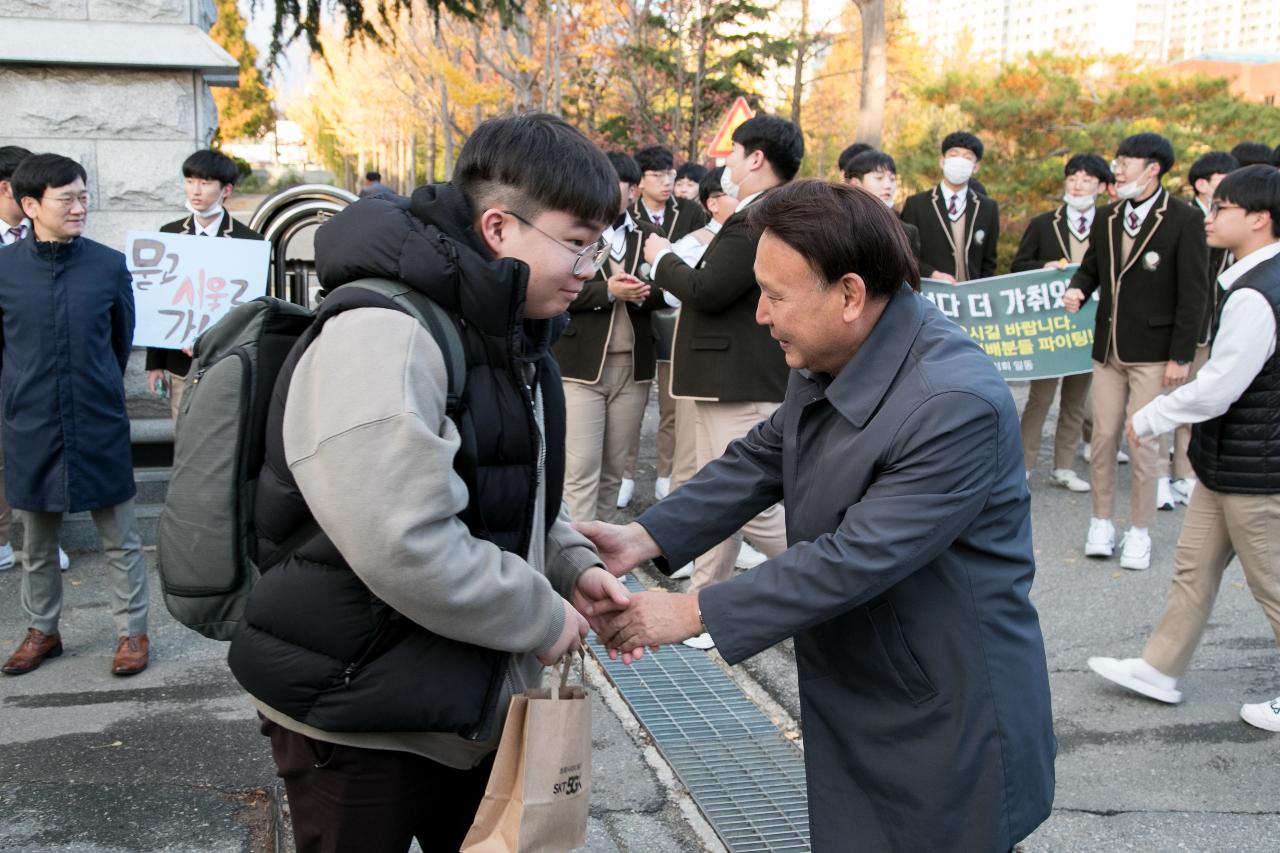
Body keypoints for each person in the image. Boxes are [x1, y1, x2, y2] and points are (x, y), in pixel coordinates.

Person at [578, 179, 1056, 852]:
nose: (762, 316)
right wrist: (642, 534)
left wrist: (687, 613)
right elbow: (765, 455)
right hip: (870, 676)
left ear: (850, 294)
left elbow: (855, 556)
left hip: (944, 708)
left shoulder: (954, 403)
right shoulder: (836, 350)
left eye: (774, 296)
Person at [225, 114, 630, 853]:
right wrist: (539, 615)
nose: (590, 267)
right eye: (577, 241)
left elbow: (504, 484)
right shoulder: (389, 331)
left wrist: (570, 564)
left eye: (598, 245)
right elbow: (404, 538)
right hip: (355, 708)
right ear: (500, 227)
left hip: (450, 698)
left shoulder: (507, 322)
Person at [1088, 164, 1280, 734]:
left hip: (1255, 468)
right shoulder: (1254, 279)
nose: (1211, 216)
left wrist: (1151, 417)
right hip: (1228, 466)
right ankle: (1158, 668)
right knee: (1193, 569)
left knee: (1272, 583)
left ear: (1259, 218)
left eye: (1222, 208)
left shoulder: (1257, 295)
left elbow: (1221, 385)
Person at [640, 116, 801, 647]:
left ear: (756, 158)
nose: (726, 163)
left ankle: (827, 576)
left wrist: (661, 258)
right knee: (722, 496)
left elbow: (707, 289)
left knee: (748, 507)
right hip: (728, 379)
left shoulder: (759, 217)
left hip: (737, 380)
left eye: (734, 152)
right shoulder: (759, 213)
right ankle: (705, 606)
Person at [0, 154, 150, 676]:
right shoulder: (5, 270)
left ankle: (132, 633)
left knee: (121, 538)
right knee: (36, 543)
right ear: (30, 205)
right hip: (31, 424)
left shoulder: (108, 265)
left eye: (84, 196)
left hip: (97, 419)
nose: (80, 207)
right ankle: (43, 631)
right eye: (67, 198)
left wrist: (100, 387)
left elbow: (119, 341)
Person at [1064, 132, 1209, 571]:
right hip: (1107, 350)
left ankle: (1141, 531)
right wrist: (1077, 290)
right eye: (1118, 160)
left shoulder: (1182, 219)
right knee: (1104, 437)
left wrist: (1181, 356)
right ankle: (1102, 522)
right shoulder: (1108, 217)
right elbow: (1092, 268)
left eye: (1127, 162)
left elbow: (1194, 293)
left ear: (1153, 170)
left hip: (1156, 354)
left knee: (1143, 440)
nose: (1118, 169)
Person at [554, 151, 664, 522]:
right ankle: (576, 563)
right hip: (581, 367)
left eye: (614, 183)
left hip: (633, 369)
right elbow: (558, 289)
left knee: (613, 472)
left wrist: (642, 292)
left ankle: (600, 557)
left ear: (632, 190)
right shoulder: (580, 235)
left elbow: (672, 289)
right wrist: (608, 293)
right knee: (581, 470)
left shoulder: (649, 236)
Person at [1011, 153, 1115, 491]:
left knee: (1075, 399)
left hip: (1089, 324)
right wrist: (1042, 268)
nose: (1078, 184)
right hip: (1049, 326)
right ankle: (1023, 465)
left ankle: (1064, 466)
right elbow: (1019, 264)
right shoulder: (1044, 223)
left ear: (1101, 186)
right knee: (1040, 398)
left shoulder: (1109, 221)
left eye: (1086, 179)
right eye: (1072, 178)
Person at [616, 145, 709, 508]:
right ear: (639, 181)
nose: (667, 181)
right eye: (657, 175)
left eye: (670, 174)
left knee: (672, 404)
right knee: (631, 404)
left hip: (673, 317)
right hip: (633, 316)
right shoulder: (628, 213)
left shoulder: (690, 212)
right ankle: (625, 472)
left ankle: (666, 473)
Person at [145, 149, 263, 420]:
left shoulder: (249, 242)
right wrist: (155, 364)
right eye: (190, 180)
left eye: (206, 182)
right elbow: (160, 298)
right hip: (179, 362)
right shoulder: (170, 234)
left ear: (227, 189)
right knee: (181, 431)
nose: (195, 190)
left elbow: (253, 309)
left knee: (221, 434)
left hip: (226, 360)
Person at [1154, 150, 1242, 509]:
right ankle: (1158, 476)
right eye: (1223, 180)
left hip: (1211, 327)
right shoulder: (1182, 217)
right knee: (1163, 403)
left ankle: (1184, 473)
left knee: (1195, 402)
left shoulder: (1230, 221)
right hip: (1175, 329)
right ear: (1202, 183)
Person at [900, 131, 1000, 283]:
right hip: (931, 293)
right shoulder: (916, 204)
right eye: (954, 155)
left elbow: (989, 262)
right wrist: (932, 274)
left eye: (967, 157)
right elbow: (904, 253)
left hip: (971, 297)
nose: (960, 161)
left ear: (976, 167)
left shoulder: (988, 207)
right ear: (942, 161)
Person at [842, 148, 930, 276]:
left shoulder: (907, 232)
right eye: (879, 178)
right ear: (855, 183)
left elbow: (911, 285)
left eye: (892, 179)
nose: (888, 185)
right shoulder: (837, 224)